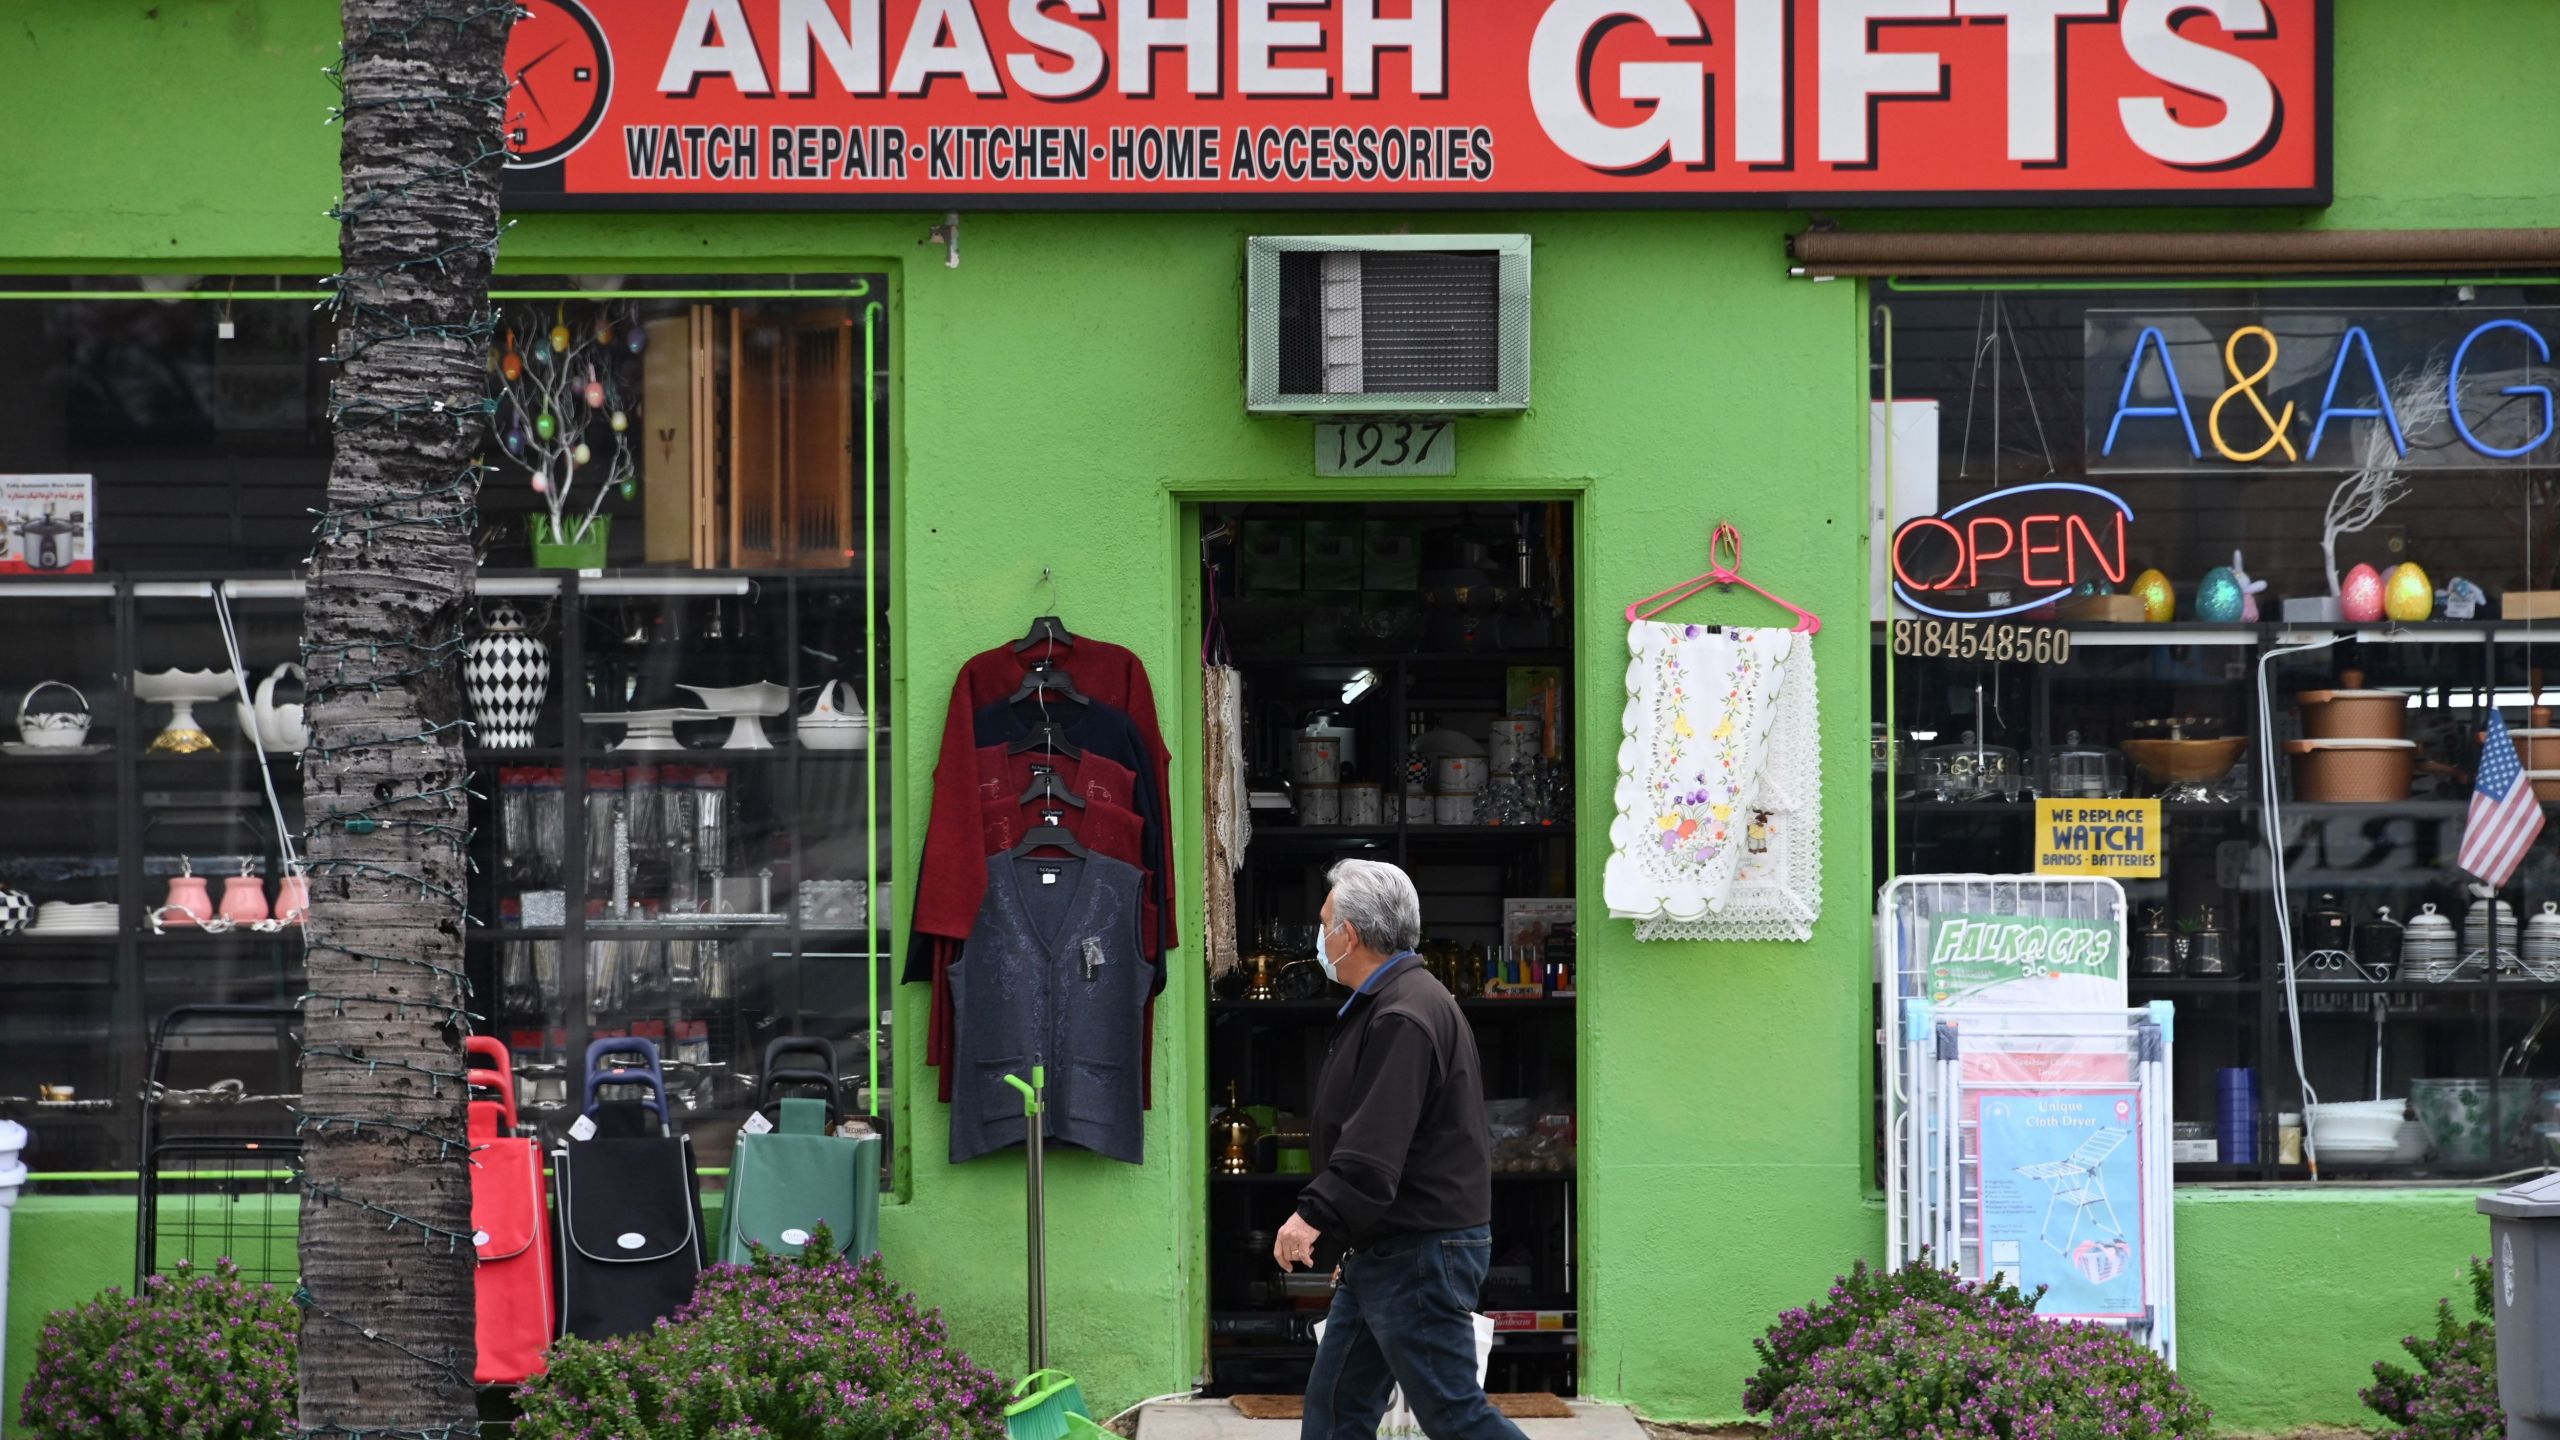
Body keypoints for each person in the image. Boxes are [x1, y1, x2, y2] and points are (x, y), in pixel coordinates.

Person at [1276, 859, 1526, 1440]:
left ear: (1350, 934)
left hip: (1419, 1252)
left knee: (1452, 1412)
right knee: (1337, 1412)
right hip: (1389, 1248)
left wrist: (1315, 1216)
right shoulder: (1397, 1002)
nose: (1320, 937)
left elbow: (1374, 1145)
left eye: (1324, 924)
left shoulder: (1403, 1014)